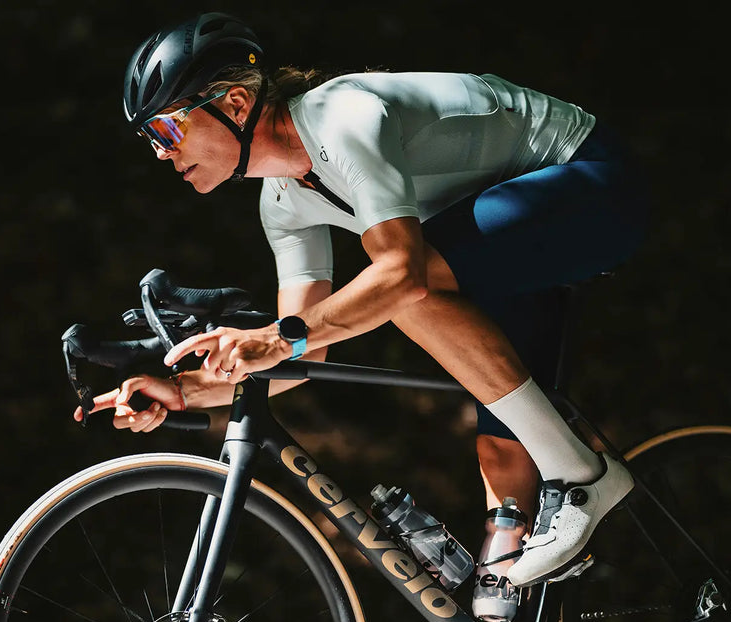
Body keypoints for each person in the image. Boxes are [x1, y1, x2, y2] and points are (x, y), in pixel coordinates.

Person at [77, 12, 648, 588]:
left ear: (234, 104)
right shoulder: (281, 203)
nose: (158, 153)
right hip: (504, 244)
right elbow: (303, 358)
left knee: (402, 287)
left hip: (590, 181)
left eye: (167, 130)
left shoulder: (340, 117)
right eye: (149, 137)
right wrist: (182, 394)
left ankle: (583, 476)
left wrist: (275, 336)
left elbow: (398, 278)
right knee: (504, 476)